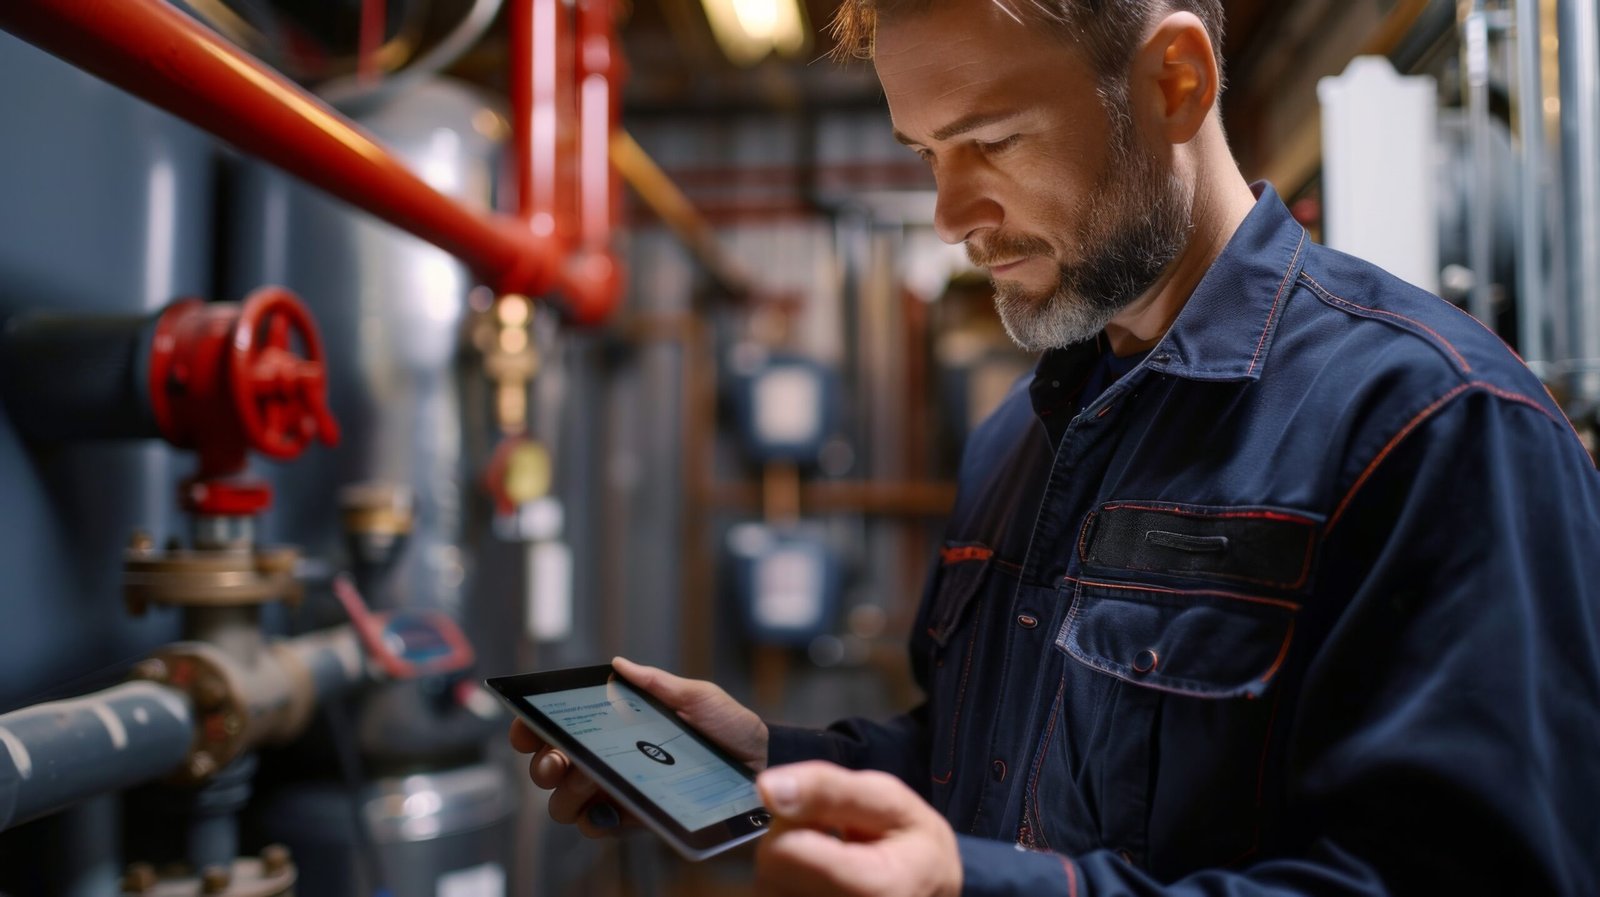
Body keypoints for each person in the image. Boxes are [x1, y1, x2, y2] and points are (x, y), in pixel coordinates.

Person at [513, 1, 1600, 894]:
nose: (947, 213)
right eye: (926, 152)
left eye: (990, 140)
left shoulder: (1431, 425)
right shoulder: (1020, 440)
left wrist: (970, 891)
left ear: (1174, 82)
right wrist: (771, 765)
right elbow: (982, 765)